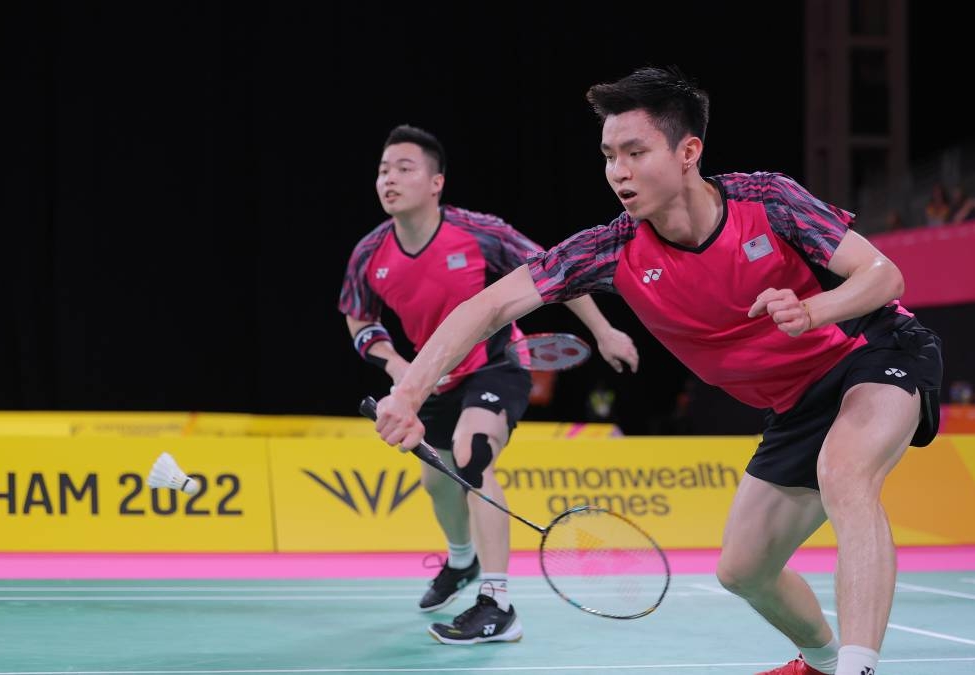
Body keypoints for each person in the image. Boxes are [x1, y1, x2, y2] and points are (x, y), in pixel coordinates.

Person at [369, 69, 943, 675]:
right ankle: (823, 664)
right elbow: (487, 306)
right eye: (609, 156)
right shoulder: (611, 249)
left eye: (636, 152)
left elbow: (883, 277)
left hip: (875, 353)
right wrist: (408, 393)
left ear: (688, 152)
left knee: (844, 473)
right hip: (796, 405)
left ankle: (858, 667)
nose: (618, 170)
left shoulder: (766, 200)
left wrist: (813, 309)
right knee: (743, 571)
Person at [338, 124, 639, 645]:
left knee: (472, 454)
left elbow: (556, 272)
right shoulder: (370, 253)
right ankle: (461, 561)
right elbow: (358, 318)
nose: (389, 179)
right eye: (383, 170)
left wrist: (604, 329)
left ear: (436, 182)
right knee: (438, 481)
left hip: (495, 365)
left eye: (404, 169)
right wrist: (396, 366)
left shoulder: (481, 233)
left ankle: (497, 604)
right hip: (431, 380)